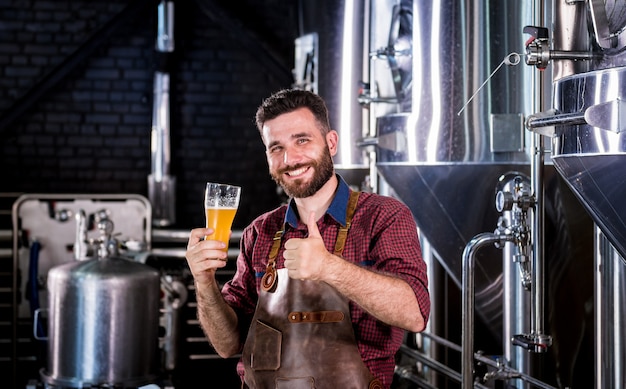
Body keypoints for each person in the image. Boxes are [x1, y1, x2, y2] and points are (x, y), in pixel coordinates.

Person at [185, 88, 430, 389]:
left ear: (331, 142)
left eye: (302, 140)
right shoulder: (259, 232)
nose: (290, 158)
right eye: (276, 148)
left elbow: (414, 313)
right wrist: (204, 282)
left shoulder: (383, 216)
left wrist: (330, 268)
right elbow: (227, 344)